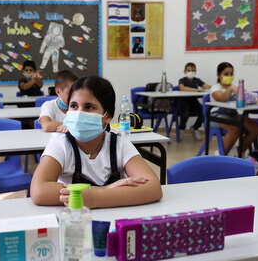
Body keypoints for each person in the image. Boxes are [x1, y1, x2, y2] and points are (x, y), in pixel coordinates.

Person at [31, 76, 163, 208]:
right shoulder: (61, 143)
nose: (79, 114)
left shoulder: (118, 143)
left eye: (89, 107)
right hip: (75, 220)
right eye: (74, 106)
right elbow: (39, 191)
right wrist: (105, 190)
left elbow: (153, 188)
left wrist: (95, 198)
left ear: (107, 116)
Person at [210, 62, 258, 156]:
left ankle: (240, 151)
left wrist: (254, 98)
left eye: (231, 74)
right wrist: (230, 89)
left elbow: (246, 97)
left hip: (234, 115)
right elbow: (221, 98)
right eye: (226, 74)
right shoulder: (215, 88)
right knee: (234, 129)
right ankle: (221, 154)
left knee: (255, 128)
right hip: (216, 117)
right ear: (218, 75)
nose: (229, 76)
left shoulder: (235, 87)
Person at [177, 62, 211, 140]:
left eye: (193, 70)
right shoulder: (182, 80)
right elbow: (182, 88)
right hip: (183, 102)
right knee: (185, 114)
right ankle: (181, 129)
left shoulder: (197, 80)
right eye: (188, 70)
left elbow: (206, 86)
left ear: (195, 71)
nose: (191, 72)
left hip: (194, 103)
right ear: (185, 71)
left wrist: (217, 86)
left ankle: (195, 128)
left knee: (204, 112)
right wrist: (196, 90)